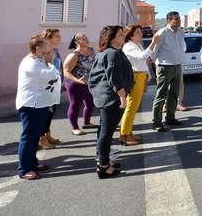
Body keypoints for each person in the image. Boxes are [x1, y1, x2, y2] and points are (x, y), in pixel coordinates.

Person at [88, 25, 132, 179]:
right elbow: (114, 77)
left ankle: (103, 159)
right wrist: (122, 96)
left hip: (106, 97)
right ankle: (103, 165)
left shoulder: (109, 52)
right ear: (111, 38)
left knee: (104, 130)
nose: (123, 37)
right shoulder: (112, 53)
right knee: (106, 132)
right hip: (111, 98)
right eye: (120, 35)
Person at [16, 35, 61, 180]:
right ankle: (24, 169)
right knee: (29, 136)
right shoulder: (31, 63)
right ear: (38, 48)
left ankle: (32, 163)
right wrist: (50, 63)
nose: (50, 48)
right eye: (47, 45)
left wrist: (48, 63)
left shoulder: (38, 60)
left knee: (35, 136)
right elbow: (52, 74)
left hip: (40, 103)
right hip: (31, 104)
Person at [119, 24, 160, 145]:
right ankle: (124, 134)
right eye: (137, 32)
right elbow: (141, 56)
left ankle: (128, 132)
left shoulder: (137, 45)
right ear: (130, 36)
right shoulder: (128, 46)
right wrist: (153, 43)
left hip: (140, 76)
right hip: (135, 76)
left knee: (133, 107)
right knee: (131, 107)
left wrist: (147, 74)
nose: (141, 34)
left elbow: (143, 60)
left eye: (140, 32)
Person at [151, 11, 186, 131]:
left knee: (174, 94)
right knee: (161, 95)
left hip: (177, 66)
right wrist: (155, 66)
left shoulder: (181, 32)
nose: (178, 21)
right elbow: (154, 51)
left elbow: (181, 47)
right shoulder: (162, 33)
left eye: (179, 19)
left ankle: (170, 118)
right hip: (164, 67)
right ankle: (156, 122)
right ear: (168, 21)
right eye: (175, 19)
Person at [62, 33, 96, 135]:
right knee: (75, 105)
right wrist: (77, 80)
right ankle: (75, 128)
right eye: (83, 39)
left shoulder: (91, 50)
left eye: (86, 38)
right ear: (77, 42)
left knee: (90, 104)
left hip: (89, 83)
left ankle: (87, 122)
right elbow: (66, 71)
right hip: (75, 84)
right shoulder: (74, 55)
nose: (87, 40)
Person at [38, 29, 63, 150]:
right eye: (56, 36)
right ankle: (41, 139)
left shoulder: (55, 51)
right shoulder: (46, 52)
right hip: (48, 87)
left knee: (51, 111)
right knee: (46, 112)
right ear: (48, 38)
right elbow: (47, 69)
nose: (59, 38)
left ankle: (47, 134)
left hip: (55, 85)